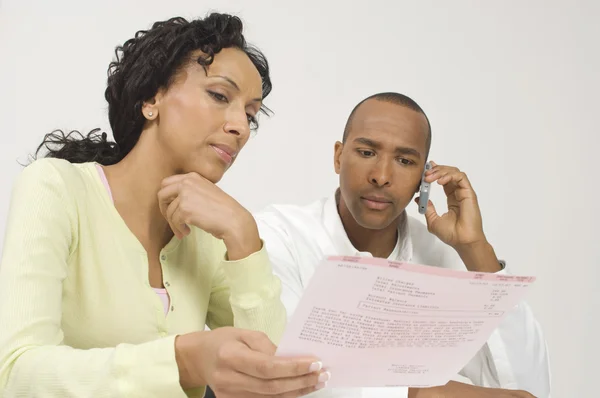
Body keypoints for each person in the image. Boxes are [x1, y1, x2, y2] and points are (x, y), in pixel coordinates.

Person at [0, 13, 330, 398]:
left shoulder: (207, 238)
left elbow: (279, 377)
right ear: (152, 98)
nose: (240, 126)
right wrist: (184, 360)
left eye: (251, 115)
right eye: (220, 96)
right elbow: (16, 373)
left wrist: (243, 235)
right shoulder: (57, 188)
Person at [254, 92, 551, 398]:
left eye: (404, 161)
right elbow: (289, 380)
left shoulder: (444, 257)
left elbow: (528, 385)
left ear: (425, 177)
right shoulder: (278, 235)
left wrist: (475, 248)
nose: (381, 177)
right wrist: (425, 393)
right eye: (367, 152)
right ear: (338, 157)